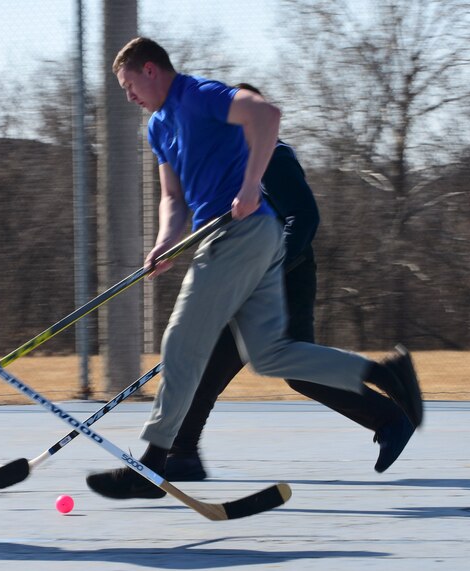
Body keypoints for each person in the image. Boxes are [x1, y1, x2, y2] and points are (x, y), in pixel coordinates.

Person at [86, 37, 423, 500]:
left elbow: (302, 216)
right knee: (266, 358)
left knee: (184, 345)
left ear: (149, 70)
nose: (128, 97)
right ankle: (385, 377)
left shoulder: (225, 118)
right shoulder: (161, 128)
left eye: (128, 85)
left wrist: (250, 196)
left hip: (274, 260)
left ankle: (156, 462)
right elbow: (172, 197)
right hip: (238, 251)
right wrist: (167, 240)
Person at [164, 84, 415, 482]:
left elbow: (304, 216)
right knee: (213, 362)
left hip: (285, 277)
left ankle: (390, 415)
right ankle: (182, 453)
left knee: (268, 366)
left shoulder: (274, 158)